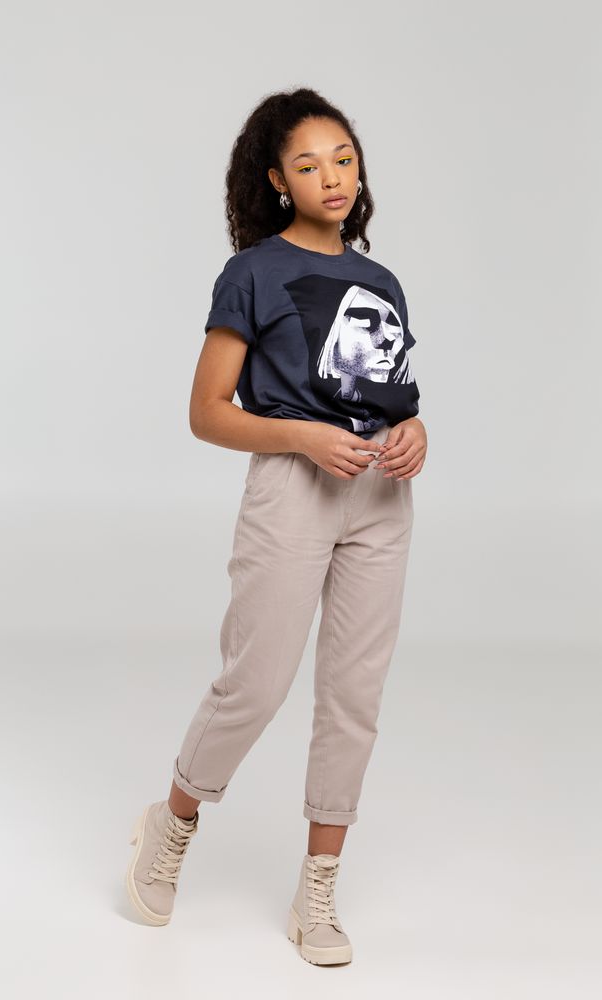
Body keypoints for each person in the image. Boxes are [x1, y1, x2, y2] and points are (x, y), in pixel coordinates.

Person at [126, 86, 428, 966]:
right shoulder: (252, 273)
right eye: (307, 164)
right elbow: (206, 412)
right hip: (293, 488)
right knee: (254, 684)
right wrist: (300, 436)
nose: (331, 177)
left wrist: (415, 430)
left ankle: (316, 891)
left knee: (354, 697)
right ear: (276, 180)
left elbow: (387, 397)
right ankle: (171, 822)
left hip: (379, 499)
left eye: (343, 159)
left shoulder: (381, 282)